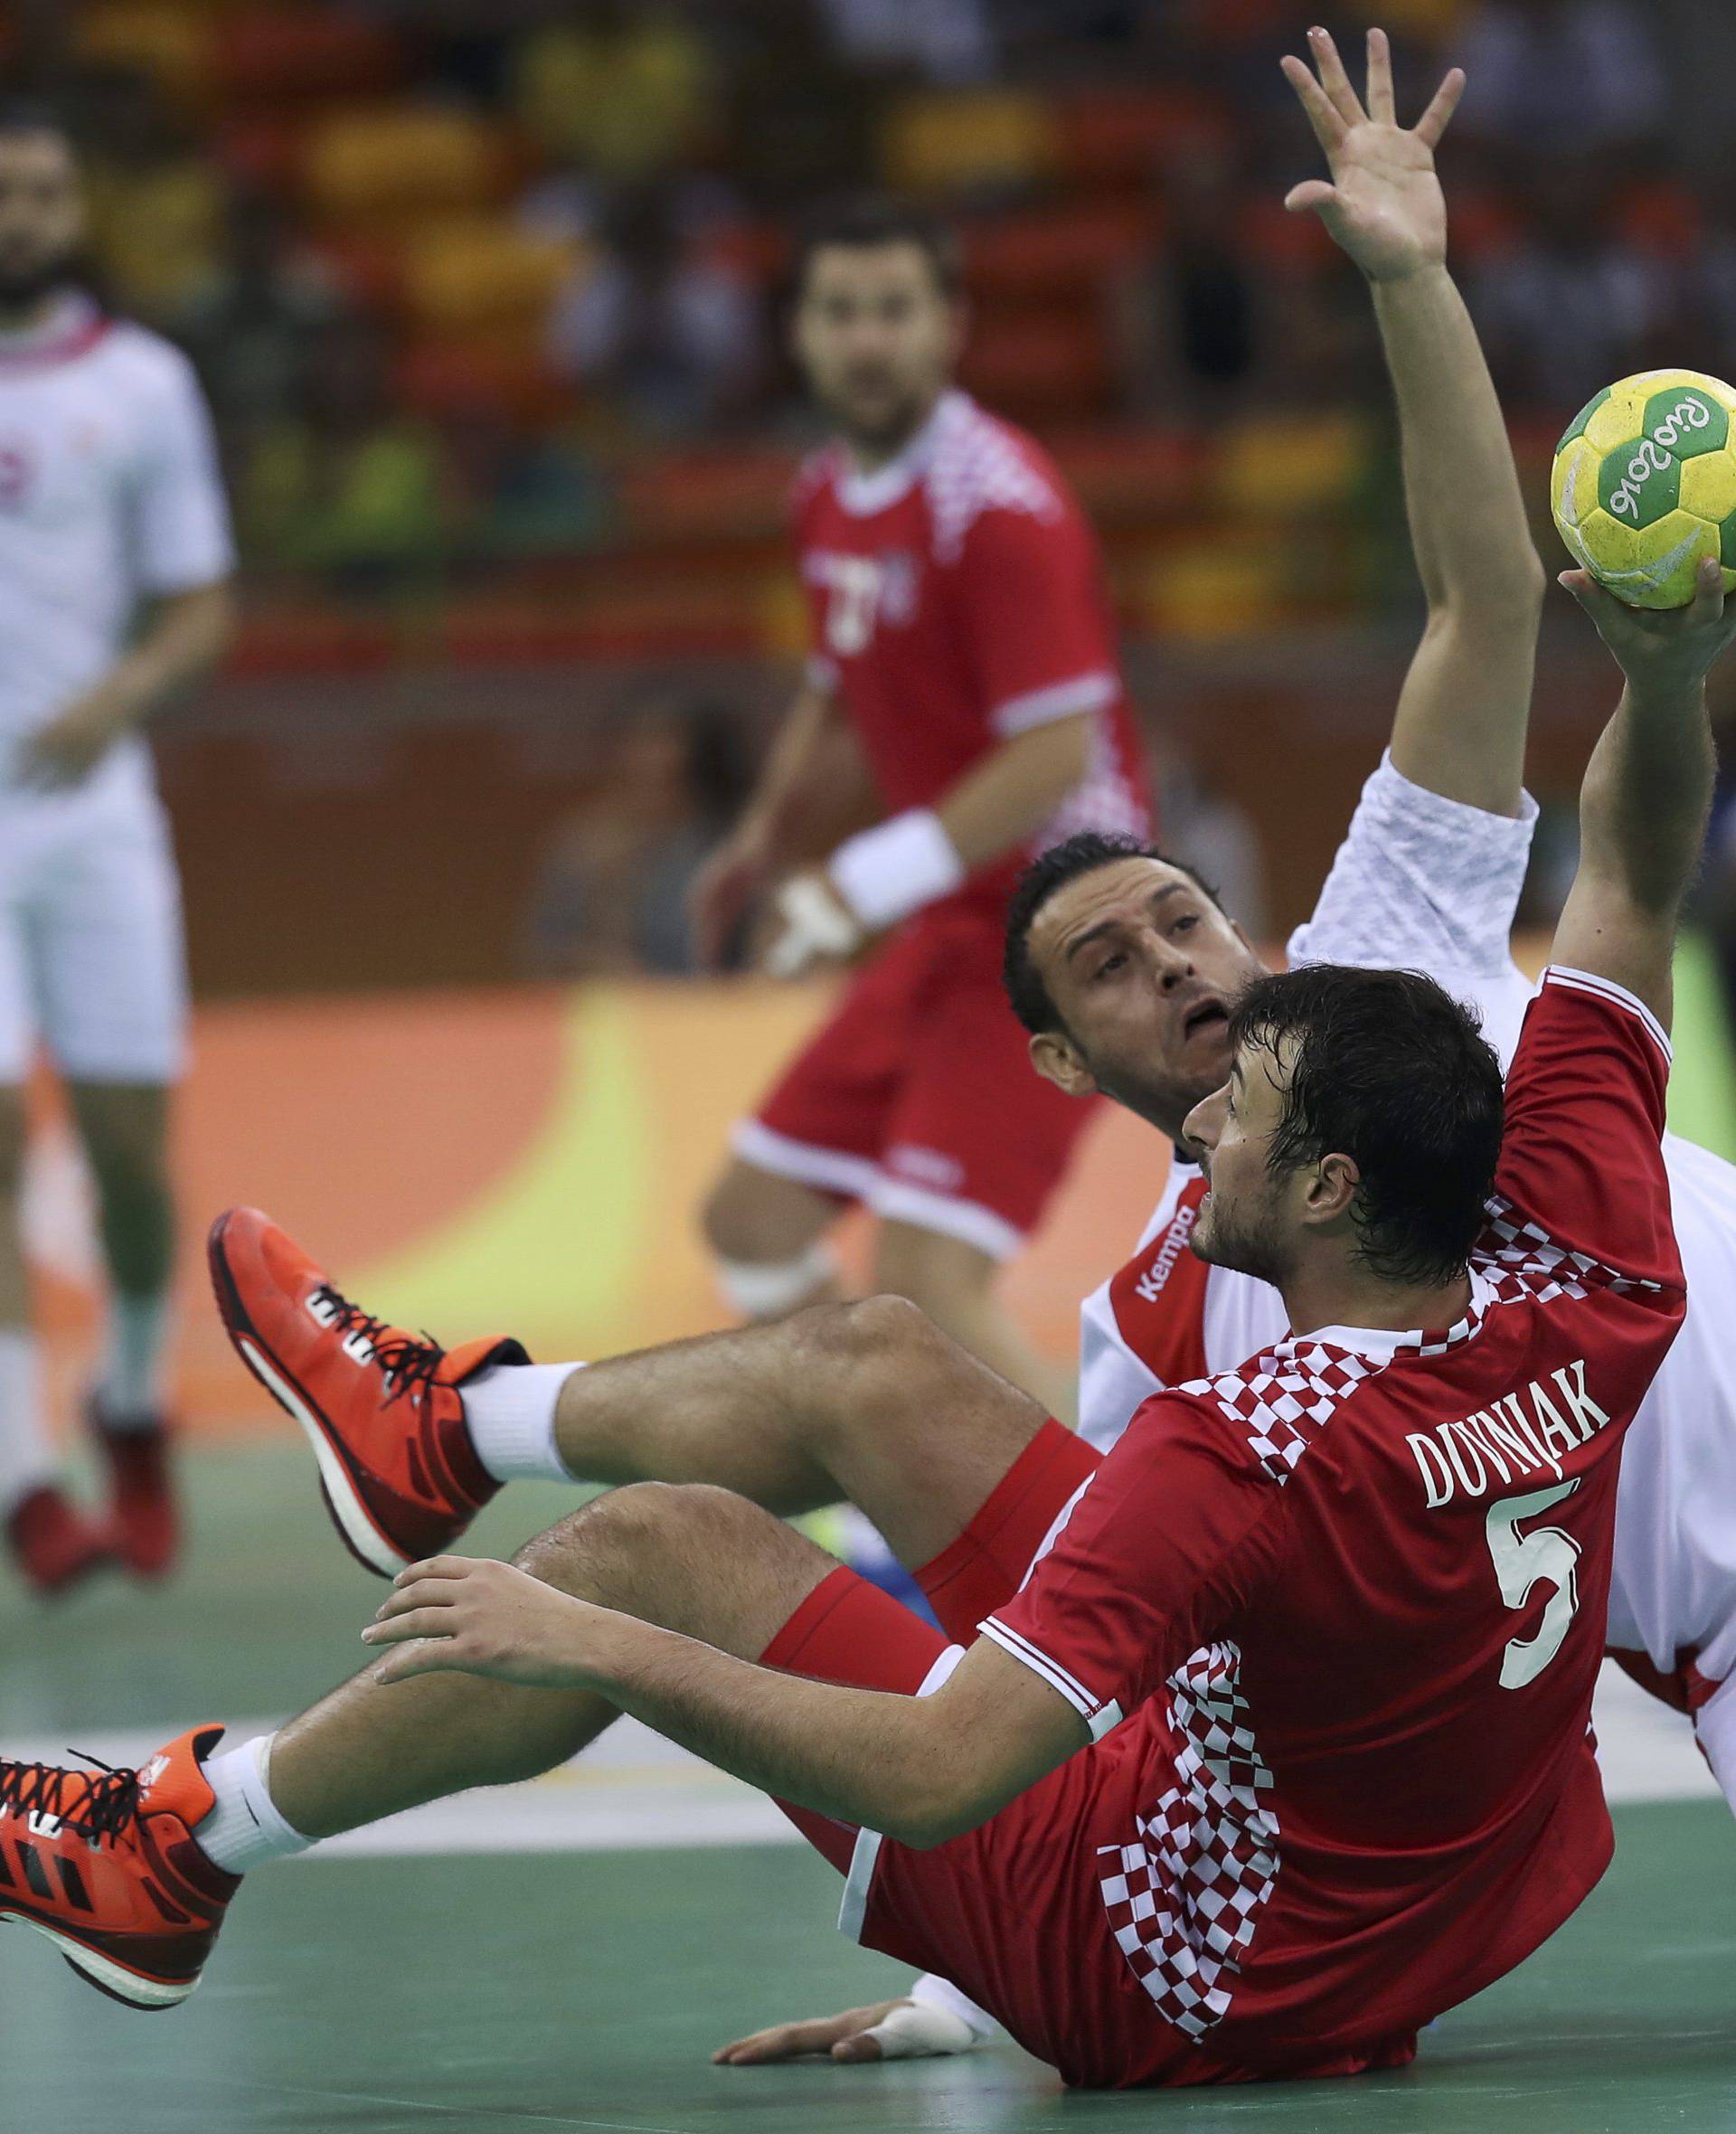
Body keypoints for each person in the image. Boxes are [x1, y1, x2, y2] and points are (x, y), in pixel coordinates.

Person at [0, 39, 1720, 2088]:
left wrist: (610, 1651)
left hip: (1312, 1889)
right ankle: (440, 1432)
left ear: (1321, 1141)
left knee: (661, 1562)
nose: (1194, 971)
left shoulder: (1256, 1351)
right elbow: (1622, 853)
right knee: (879, 1360)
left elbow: (945, 1759)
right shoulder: (1578, 1252)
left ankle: (198, 1828)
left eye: (1191, 925)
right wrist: (1680, 663)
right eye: (1122, 956)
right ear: (1061, 1066)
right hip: (1398, 1817)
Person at [689, 192, 1148, 1421]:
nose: (868, 339)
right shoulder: (824, 493)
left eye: (895, 309)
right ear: (800, 332)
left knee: (926, 1279)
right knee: (751, 1220)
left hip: (1069, 923)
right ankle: (887, 1487)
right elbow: (841, 690)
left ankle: (1123, 1559)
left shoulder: (996, 505)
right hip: (953, 918)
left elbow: (1055, 751)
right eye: (841, 312)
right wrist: (766, 838)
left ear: (951, 324)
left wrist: (855, 884)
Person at [0, 100, 235, 1591]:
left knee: (131, 1153)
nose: (21, 208)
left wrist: (121, 696)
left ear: (75, 207)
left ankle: (133, 1399)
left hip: (90, 810)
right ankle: (24, 1466)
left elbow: (201, 602)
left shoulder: (144, 385)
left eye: (42, 186)